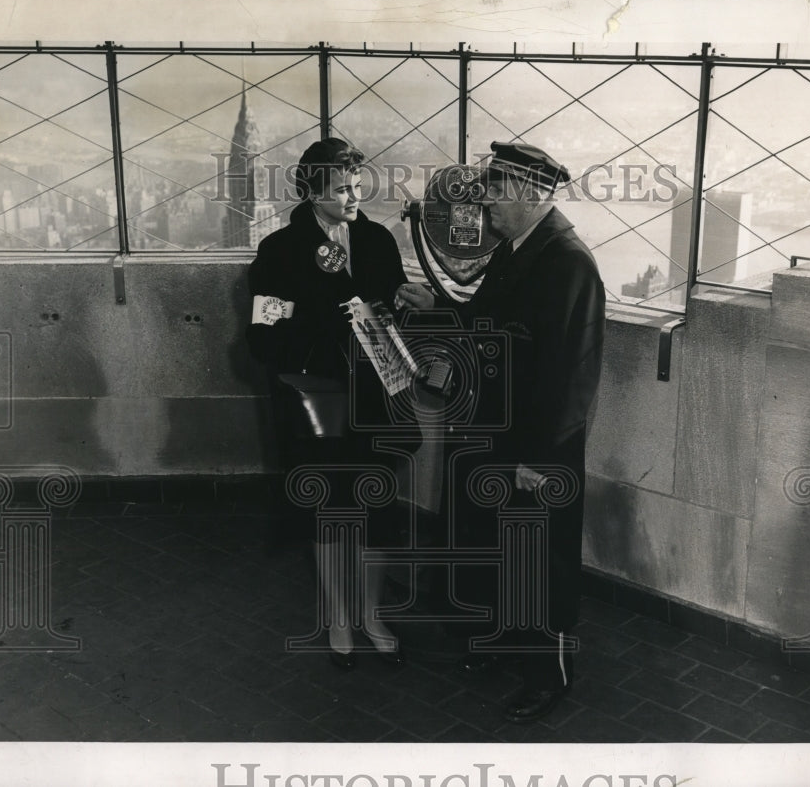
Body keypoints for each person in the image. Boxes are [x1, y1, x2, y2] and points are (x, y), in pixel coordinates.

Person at [396, 141, 605, 723]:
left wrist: (541, 461)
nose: (483, 197)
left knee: (539, 564)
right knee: (498, 551)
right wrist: (435, 303)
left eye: (495, 188)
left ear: (533, 195)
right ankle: (500, 647)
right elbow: (486, 324)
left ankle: (548, 676)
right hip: (494, 437)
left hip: (535, 451)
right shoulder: (520, 251)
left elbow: (575, 376)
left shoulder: (569, 263)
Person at [247, 137, 416, 670]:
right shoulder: (277, 251)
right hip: (319, 403)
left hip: (376, 399)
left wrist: (399, 309)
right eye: (341, 189)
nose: (354, 196)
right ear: (311, 191)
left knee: (377, 509)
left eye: (357, 185)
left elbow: (393, 308)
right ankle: (340, 618)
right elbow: (262, 337)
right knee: (329, 512)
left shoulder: (378, 240)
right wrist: (325, 323)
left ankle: (370, 615)